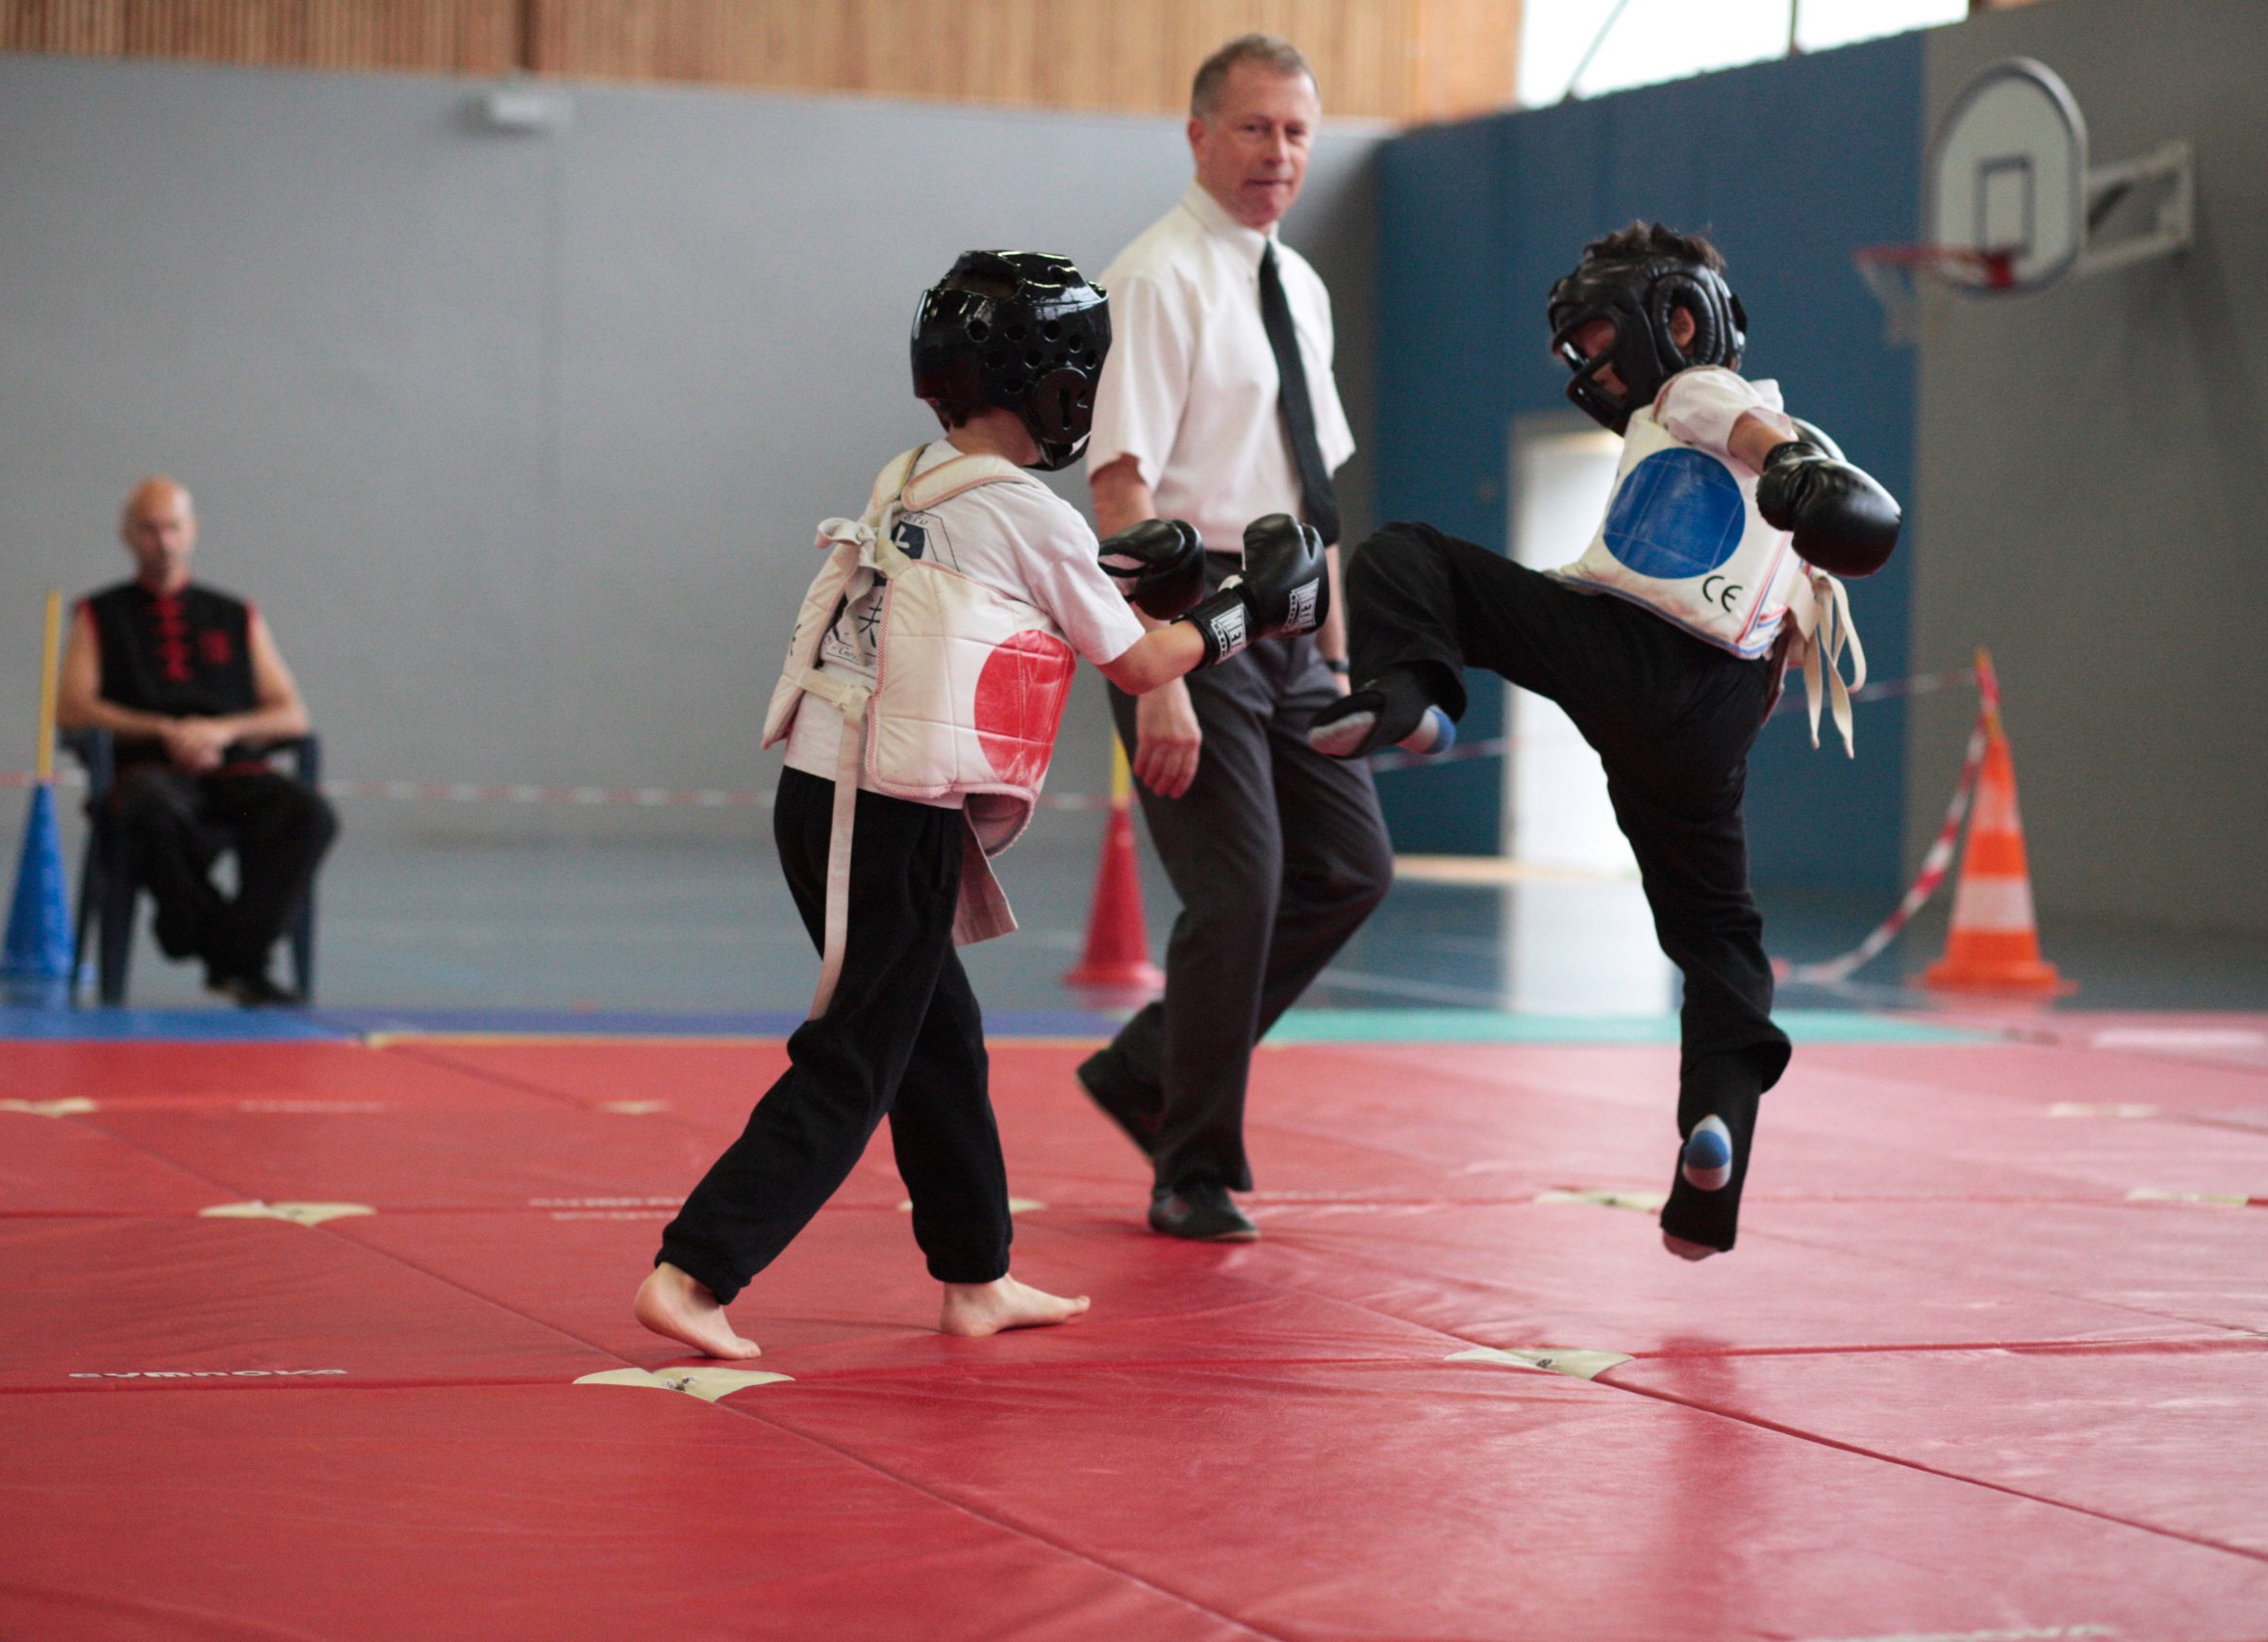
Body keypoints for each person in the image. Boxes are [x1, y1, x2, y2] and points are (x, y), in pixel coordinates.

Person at [633, 251, 1329, 1360]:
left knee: (939, 1040)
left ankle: (976, 1274)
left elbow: (1012, 588)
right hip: (883, 809)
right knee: (861, 1051)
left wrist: (1129, 572)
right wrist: (1253, 611)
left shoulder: (913, 473)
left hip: (841, 797)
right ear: (1047, 378)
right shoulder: (1028, 513)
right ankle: (696, 1269)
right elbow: (1146, 666)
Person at [1309, 222, 1899, 1259]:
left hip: (1624, 650)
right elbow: (1783, 632)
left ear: (1676, 319)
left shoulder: (1699, 392)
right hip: (1711, 724)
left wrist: (1788, 459)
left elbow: (1742, 422)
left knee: (1410, 557)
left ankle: (1414, 697)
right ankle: (1711, 1156)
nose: (1590, 366)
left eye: (1597, 337)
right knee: (1721, 943)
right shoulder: (1783, 465)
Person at [1074, 34, 1394, 1244]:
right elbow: (1118, 488)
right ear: (1200, 135)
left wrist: (1342, 658)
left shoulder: (1297, 288)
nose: (1278, 154)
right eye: (1255, 128)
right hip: (1189, 603)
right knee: (1241, 888)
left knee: (1352, 869)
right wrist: (1159, 674)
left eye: (1298, 132)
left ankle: (1143, 1071)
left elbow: (1316, 498)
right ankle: (1187, 1164)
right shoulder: (1155, 278)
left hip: (1294, 611)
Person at [56, 477, 337, 1007]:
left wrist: (220, 731)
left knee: (308, 815)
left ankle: (220, 950)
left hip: (231, 771)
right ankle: (226, 954)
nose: (162, 542)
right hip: (148, 774)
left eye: (173, 528)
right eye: (149, 529)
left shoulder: (235, 614)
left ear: (193, 531)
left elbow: (292, 714)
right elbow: (72, 708)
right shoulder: (99, 615)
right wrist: (163, 730)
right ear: (126, 534)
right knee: (149, 812)